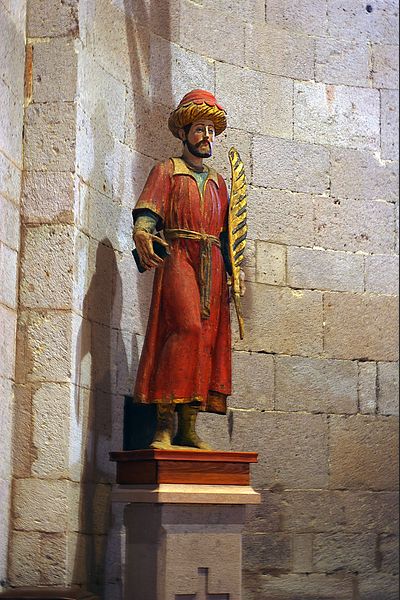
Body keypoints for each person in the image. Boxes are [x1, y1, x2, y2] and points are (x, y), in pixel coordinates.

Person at [132, 89, 242, 450]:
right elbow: (148, 213)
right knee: (186, 328)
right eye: (199, 129)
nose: (207, 136)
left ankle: (188, 427)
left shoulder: (219, 182)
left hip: (212, 261)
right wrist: (143, 231)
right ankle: (163, 422)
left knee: (207, 337)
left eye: (211, 130)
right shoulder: (167, 171)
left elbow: (229, 232)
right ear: (183, 133)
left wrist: (234, 270)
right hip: (179, 253)